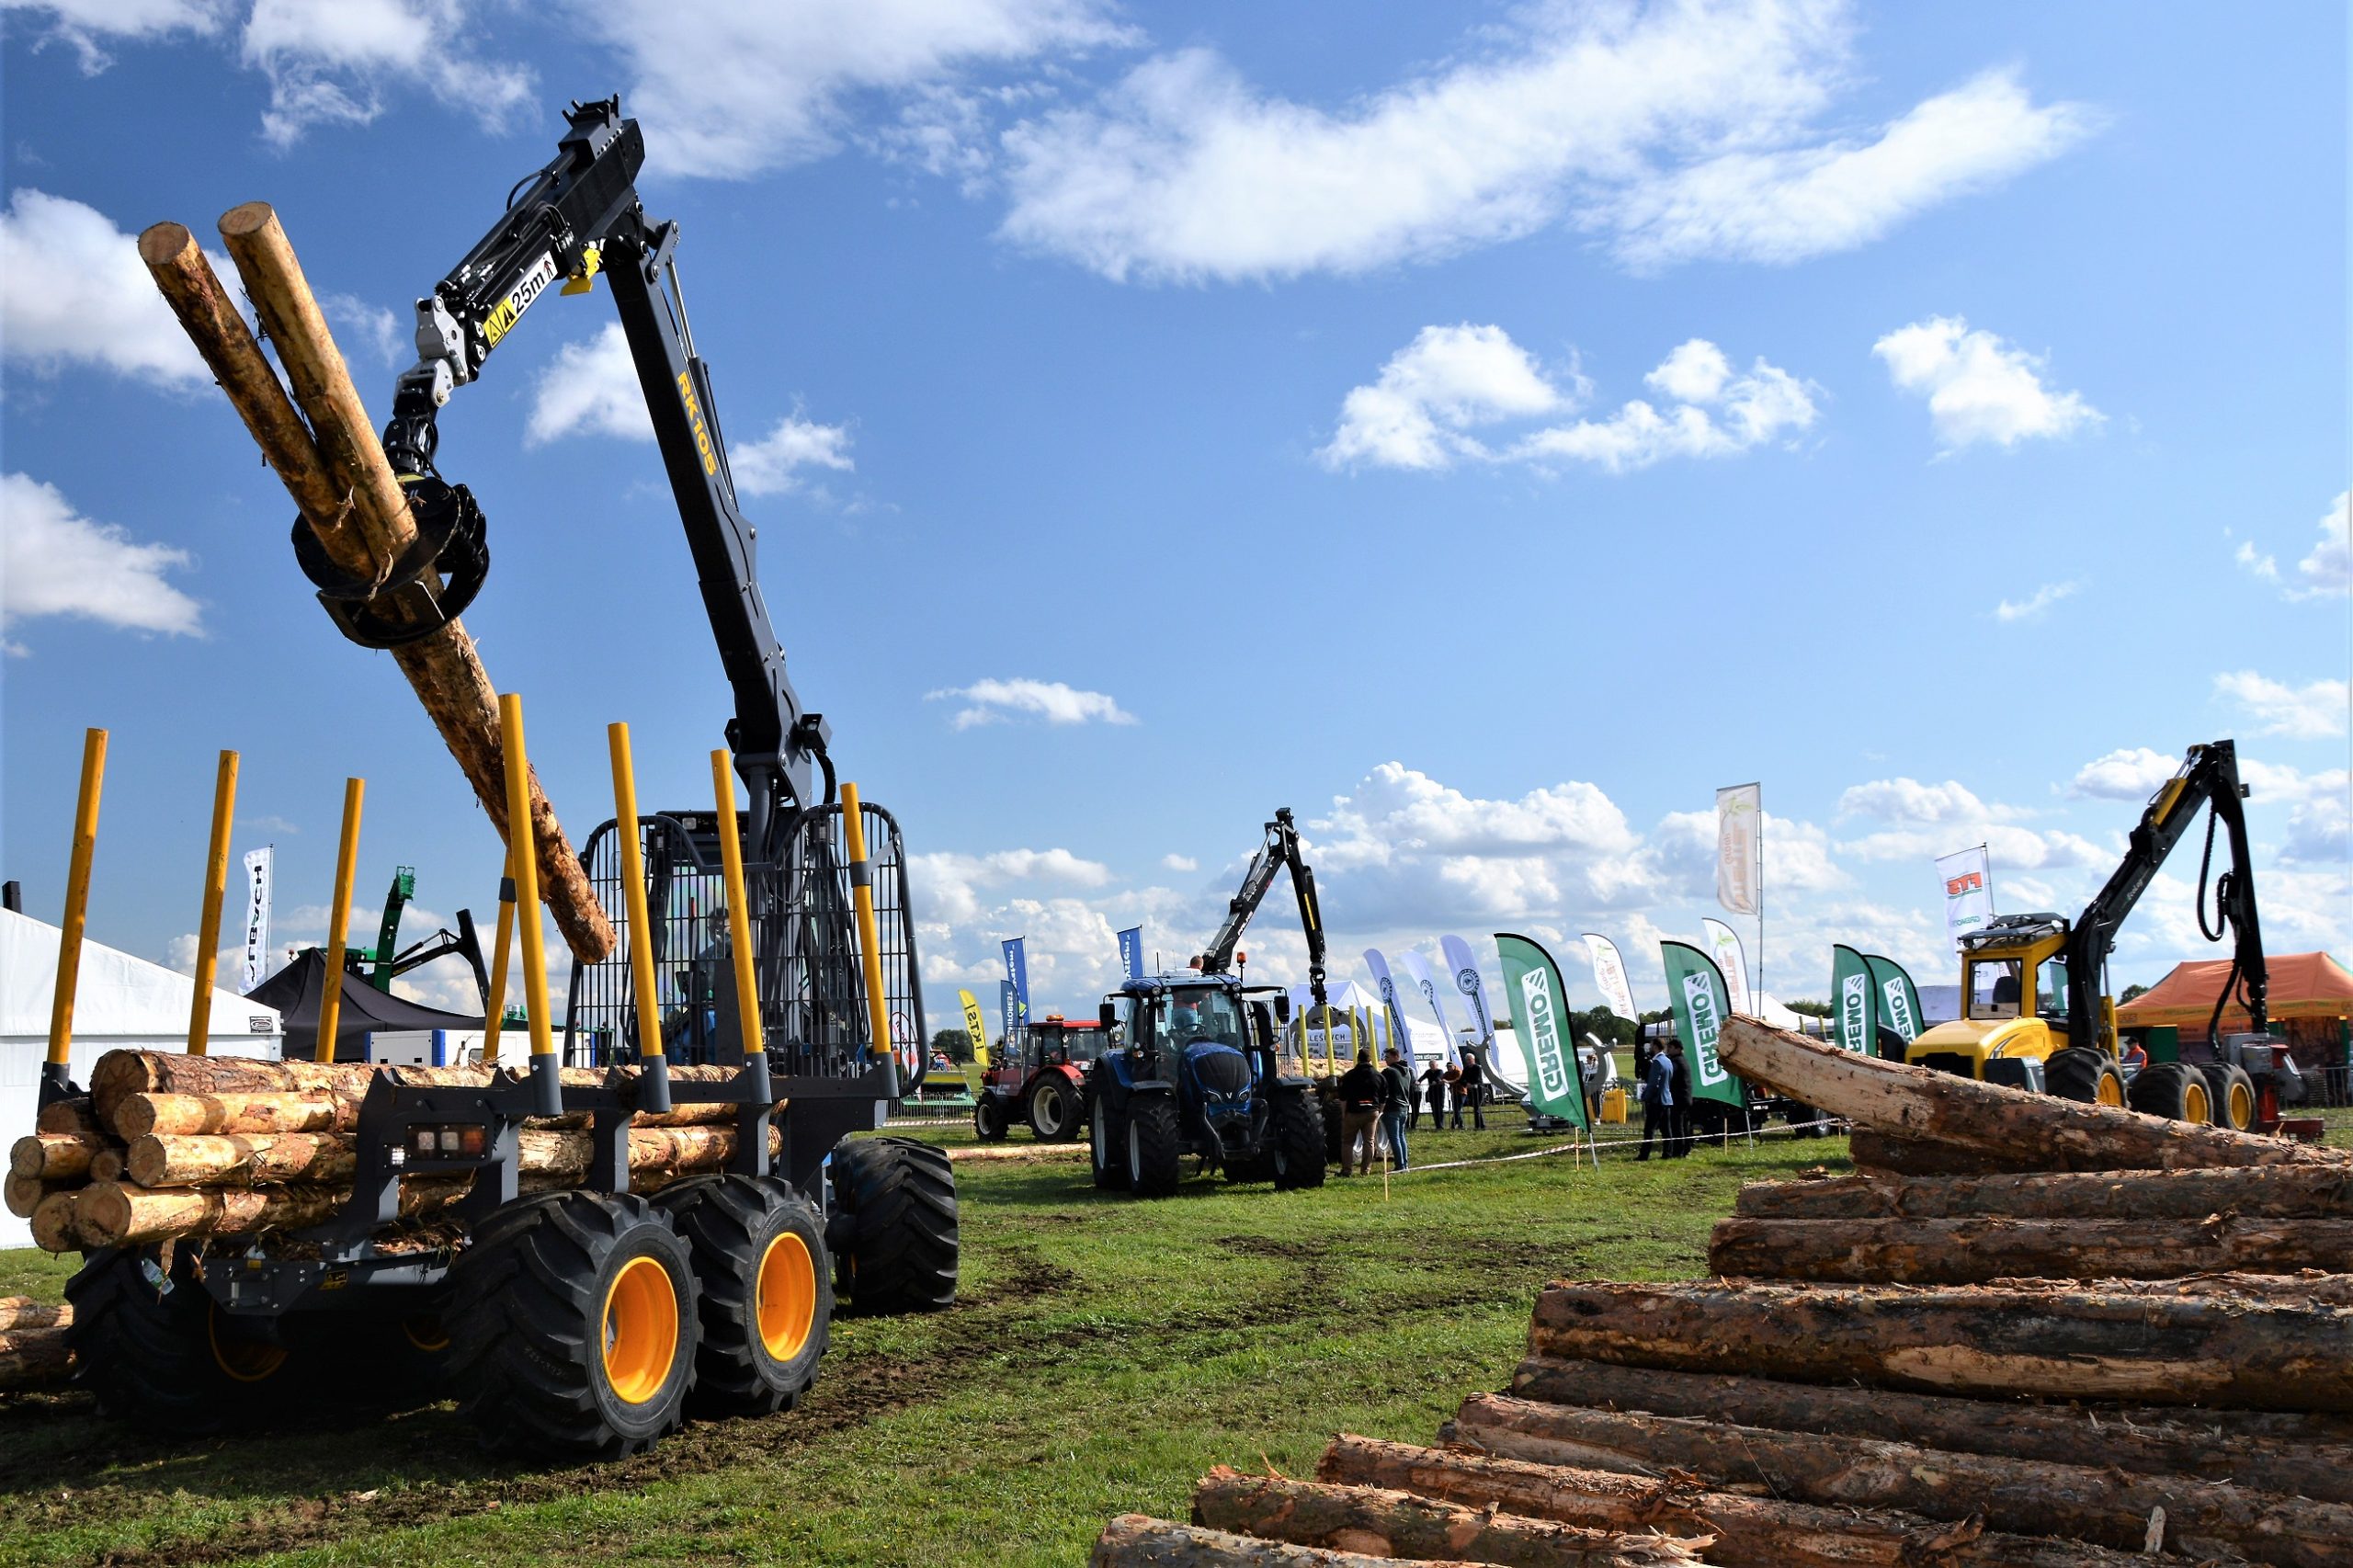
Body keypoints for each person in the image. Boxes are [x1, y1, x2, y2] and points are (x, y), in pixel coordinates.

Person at [1336, 1050, 1383, 1176]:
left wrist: (1343, 1113)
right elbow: (1383, 1098)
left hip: (1353, 1112)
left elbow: (1343, 1098)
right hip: (1372, 1112)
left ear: (1358, 1059)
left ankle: (1347, 1170)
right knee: (1369, 1142)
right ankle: (1365, 1171)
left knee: (1347, 1142)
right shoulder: (1378, 1076)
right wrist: (1379, 1112)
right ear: (1370, 1059)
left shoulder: (1349, 1075)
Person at [1636, 1038, 1675, 1161]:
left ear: (1656, 1047)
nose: (1650, 1048)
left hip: (1657, 1100)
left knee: (1649, 1129)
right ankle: (1668, 1153)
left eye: (1651, 1045)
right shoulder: (1668, 1061)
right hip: (1667, 1099)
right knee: (1666, 1129)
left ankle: (1644, 1155)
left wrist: (1645, 1097)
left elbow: (1653, 1084)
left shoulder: (1657, 1062)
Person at [1379, 1047, 1413, 1170]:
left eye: (1387, 1057)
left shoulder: (1389, 1071)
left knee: (1394, 1138)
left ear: (1395, 1057)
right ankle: (1404, 1164)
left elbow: (1381, 1086)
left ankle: (1400, 1165)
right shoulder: (1408, 1071)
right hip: (1404, 1107)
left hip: (1392, 1107)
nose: (1385, 1060)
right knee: (1401, 1136)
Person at [1666, 1040, 1693, 1157]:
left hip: (1678, 1098)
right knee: (1684, 1126)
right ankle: (1686, 1148)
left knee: (1677, 1126)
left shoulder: (1676, 1062)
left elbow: (1670, 1075)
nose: (1668, 1049)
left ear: (1678, 1049)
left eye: (1671, 1047)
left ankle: (1678, 1151)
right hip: (1685, 1097)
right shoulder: (1683, 1060)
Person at [1458, 1046, 1487, 1131]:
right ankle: (1481, 1125)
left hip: (1479, 1090)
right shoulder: (1466, 1069)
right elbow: (1461, 1079)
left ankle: (1478, 1126)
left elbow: (1478, 1079)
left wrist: (1471, 1083)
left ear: (1473, 1060)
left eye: (1470, 1059)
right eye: (1467, 1060)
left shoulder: (1477, 1067)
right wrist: (1466, 1084)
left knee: (1477, 1108)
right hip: (1471, 1091)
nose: (1468, 1061)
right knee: (1476, 1108)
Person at [1419, 1061, 1449, 1131]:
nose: (1432, 1066)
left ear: (1436, 1065)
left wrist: (1436, 1081)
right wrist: (1418, 1081)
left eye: (1433, 1065)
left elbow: (1439, 1077)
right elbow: (1423, 1077)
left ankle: (1441, 1125)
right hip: (1432, 1092)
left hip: (1440, 1092)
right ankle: (1437, 1125)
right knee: (1434, 1109)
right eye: (1430, 1065)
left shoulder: (1440, 1071)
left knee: (1440, 1109)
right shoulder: (1428, 1072)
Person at [1443, 1062, 1464, 1128]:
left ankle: (1453, 1124)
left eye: (1450, 1066)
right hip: (1454, 1092)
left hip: (1461, 1092)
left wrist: (1448, 1081)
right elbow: (1442, 1077)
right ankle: (1461, 1125)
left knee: (1458, 1109)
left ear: (1454, 1066)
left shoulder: (1458, 1071)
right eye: (1447, 1067)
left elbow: (1457, 1080)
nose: (1449, 1068)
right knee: (1455, 1109)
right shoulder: (1447, 1073)